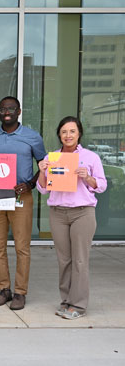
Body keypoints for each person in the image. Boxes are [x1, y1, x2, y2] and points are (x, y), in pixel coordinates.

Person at [37, 116, 107, 320]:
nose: (68, 135)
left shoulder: (90, 157)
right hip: (58, 213)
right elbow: (43, 188)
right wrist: (42, 171)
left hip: (82, 212)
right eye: (64, 132)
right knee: (64, 260)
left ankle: (78, 305)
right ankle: (66, 301)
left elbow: (101, 186)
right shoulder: (53, 157)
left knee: (80, 260)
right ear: (59, 134)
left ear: (79, 133)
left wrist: (87, 177)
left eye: (72, 131)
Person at [0, 96, 46, 310]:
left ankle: (20, 292)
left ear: (19, 111)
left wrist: (31, 184)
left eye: (11, 108)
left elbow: (44, 165)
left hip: (21, 195)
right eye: (3, 109)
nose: (7, 112)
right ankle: (4, 289)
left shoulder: (32, 137)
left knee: (22, 246)